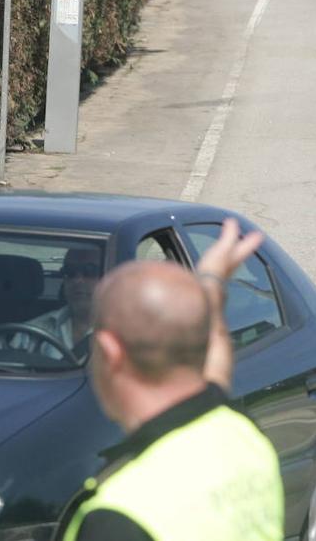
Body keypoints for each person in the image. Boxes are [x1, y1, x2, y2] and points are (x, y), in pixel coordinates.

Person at [57, 218, 283, 541]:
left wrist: (211, 282)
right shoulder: (245, 438)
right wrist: (211, 282)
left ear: (110, 352)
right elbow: (215, 369)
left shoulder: (120, 515)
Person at [15, 246, 102, 359]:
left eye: (90, 271)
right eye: (70, 271)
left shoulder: (126, 334)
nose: (77, 280)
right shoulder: (30, 332)